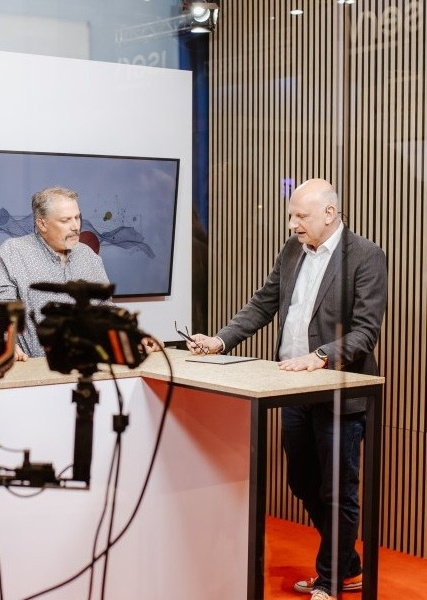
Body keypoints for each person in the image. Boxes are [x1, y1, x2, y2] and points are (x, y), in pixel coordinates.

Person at [186, 178, 386, 600]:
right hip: (293, 390)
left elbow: (366, 332)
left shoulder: (365, 255)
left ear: (329, 214)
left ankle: (330, 580)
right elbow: (263, 303)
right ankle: (348, 564)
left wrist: (321, 356)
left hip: (338, 390)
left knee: (339, 490)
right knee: (300, 479)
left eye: (300, 216)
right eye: (291, 215)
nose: (292, 223)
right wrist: (220, 340)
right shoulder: (292, 249)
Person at [0, 186, 160, 364]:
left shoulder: (88, 256)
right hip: (32, 369)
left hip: (86, 366)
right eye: (65, 220)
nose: (76, 226)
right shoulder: (13, 252)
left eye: (77, 218)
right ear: (42, 224)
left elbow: (104, 309)